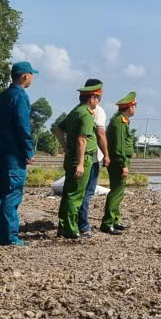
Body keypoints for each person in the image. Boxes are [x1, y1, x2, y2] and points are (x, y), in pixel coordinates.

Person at [0, 62, 37, 246]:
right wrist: (28, 150)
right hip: (14, 153)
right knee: (12, 193)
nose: (32, 79)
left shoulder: (2, 95)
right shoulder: (20, 96)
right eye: (31, 75)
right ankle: (9, 236)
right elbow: (22, 125)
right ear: (25, 76)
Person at [53, 80, 101, 240]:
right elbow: (82, 140)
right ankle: (70, 229)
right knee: (75, 195)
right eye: (97, 98)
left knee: (69, 194)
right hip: (82, 158)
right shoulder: (86, 114)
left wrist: (66, 147)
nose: (98, 101)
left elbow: (58, 128)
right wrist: (80, 163)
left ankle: (64, 227)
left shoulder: (75, 111)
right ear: (92, 98)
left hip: (72, 156)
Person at [75, 77, 110, 237]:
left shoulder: (77, 109)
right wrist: (107, 155)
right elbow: (101, 134)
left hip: (78, 157)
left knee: (76, 193)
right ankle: (83, 225)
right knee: (86, 193)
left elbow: (59, 129)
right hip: (91, 158)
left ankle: (71, 223)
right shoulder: (98, 111)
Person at [100, 91, 136, 234]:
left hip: (119, 161)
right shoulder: (119, 122)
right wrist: (124, 165)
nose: (135, 109)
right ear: (130, 107)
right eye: (134, 106)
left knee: (118, 192)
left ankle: (114, 219)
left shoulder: (122, 120)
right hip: (118, 162)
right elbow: (119, 147)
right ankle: (108, 223)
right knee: (116, 192)